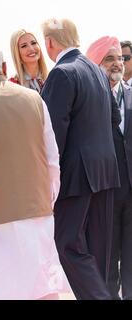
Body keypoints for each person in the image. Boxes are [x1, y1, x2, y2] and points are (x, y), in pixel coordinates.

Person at [0, 46, 70, 300]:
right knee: (43, 287)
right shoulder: (34, 99)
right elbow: (53, 159)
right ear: (5, 68)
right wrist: (48, 200)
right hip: (39, 208)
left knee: (2, 290)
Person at [41, 18, 121, 300]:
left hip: (76, 175)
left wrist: (47, 179)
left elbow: (52, 135)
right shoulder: (97, 72)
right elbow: (115, 118)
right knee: (98, 249)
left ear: (50, 42)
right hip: (106, 173)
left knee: (68, 245)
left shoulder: (62, 73)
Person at [87, 36, 132, 300]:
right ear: (96, 63)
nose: (117, 63)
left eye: (121, 58)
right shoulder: (89, 98)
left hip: (131, 193)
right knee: (106, 261)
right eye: (109, 58)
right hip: (103, 192)